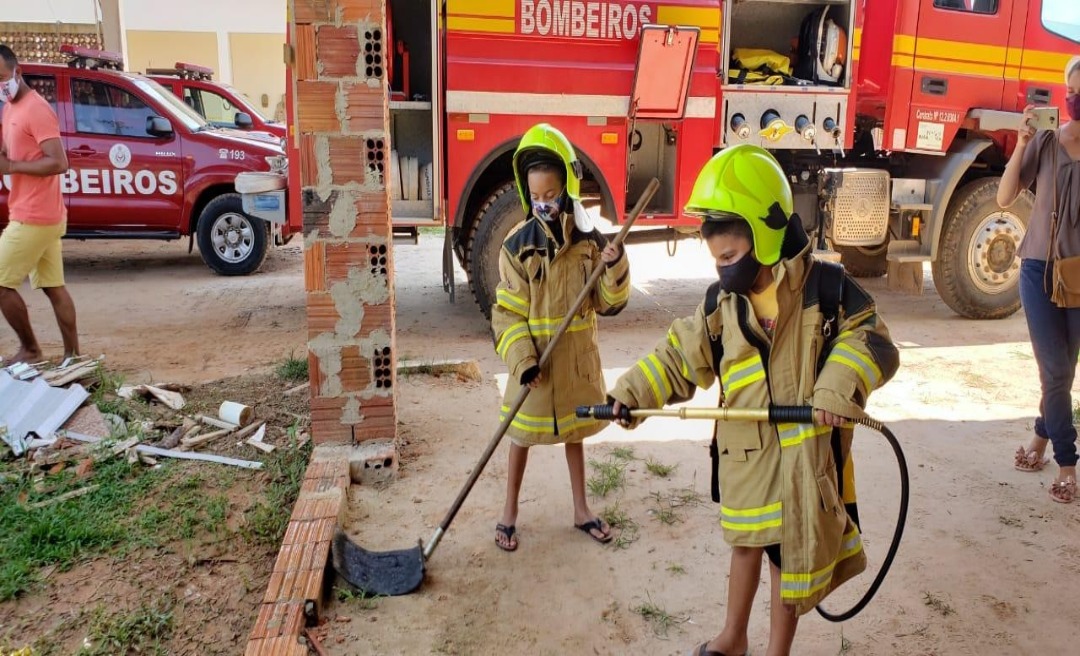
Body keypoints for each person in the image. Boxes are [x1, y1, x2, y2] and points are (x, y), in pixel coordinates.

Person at [606, 145, 898, 656]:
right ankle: (732, 636)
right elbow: (678, 357)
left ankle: (775, 652)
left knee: (789, 563)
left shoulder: (825, 289)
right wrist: (630, 394)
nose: (723, 271)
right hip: (744, 460)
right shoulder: (720, 306)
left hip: (802, 463)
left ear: (764, 237)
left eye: (730, 258)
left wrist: (835, 386)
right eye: (716, 260)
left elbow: (873, 340)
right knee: (745, 547)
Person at [491, 123, 631, 552]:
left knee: (574, 434)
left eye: (551, 196)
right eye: (536, 198)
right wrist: (522, 361)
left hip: (573, 362)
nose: (544, 204)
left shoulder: (589, 242)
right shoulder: (517, 247)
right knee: (520, 437)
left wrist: (614, 265)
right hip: (536, 367)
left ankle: (581, 509)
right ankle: (508, 514)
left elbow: (608, 302)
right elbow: (507, 313)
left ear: (567, 188)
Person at [997, 56, 1080, 504]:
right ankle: (1068, 463)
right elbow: (1004, 196)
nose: (1076, 100)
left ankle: (1040, 440)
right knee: (1054, 370)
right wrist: (1020, 143)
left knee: (1062, 373)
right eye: (1073, 91)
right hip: (1037, 270)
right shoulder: (1047, 142)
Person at [0, 44, 78, 364]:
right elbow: (12, 153)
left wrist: (13, 167)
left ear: (17, 72)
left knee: (1, 284)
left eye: (1, 77)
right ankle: (74, 356)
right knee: (53, 286)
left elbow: (59, 162)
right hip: (34, 211)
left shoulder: (36, 108)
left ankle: (31, 349)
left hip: (35, 216)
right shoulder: (10, 108)